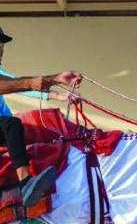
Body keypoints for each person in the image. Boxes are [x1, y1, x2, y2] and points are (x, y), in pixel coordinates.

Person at [0, 28, 82, 206]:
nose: (1, 49)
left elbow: (18, 84)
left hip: (3, 128)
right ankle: (25, 183)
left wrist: (57, 88)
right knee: (12, 124)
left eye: (2, 45)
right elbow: (18, 84)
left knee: (33, 128)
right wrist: (48, 82)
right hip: (5, 126)